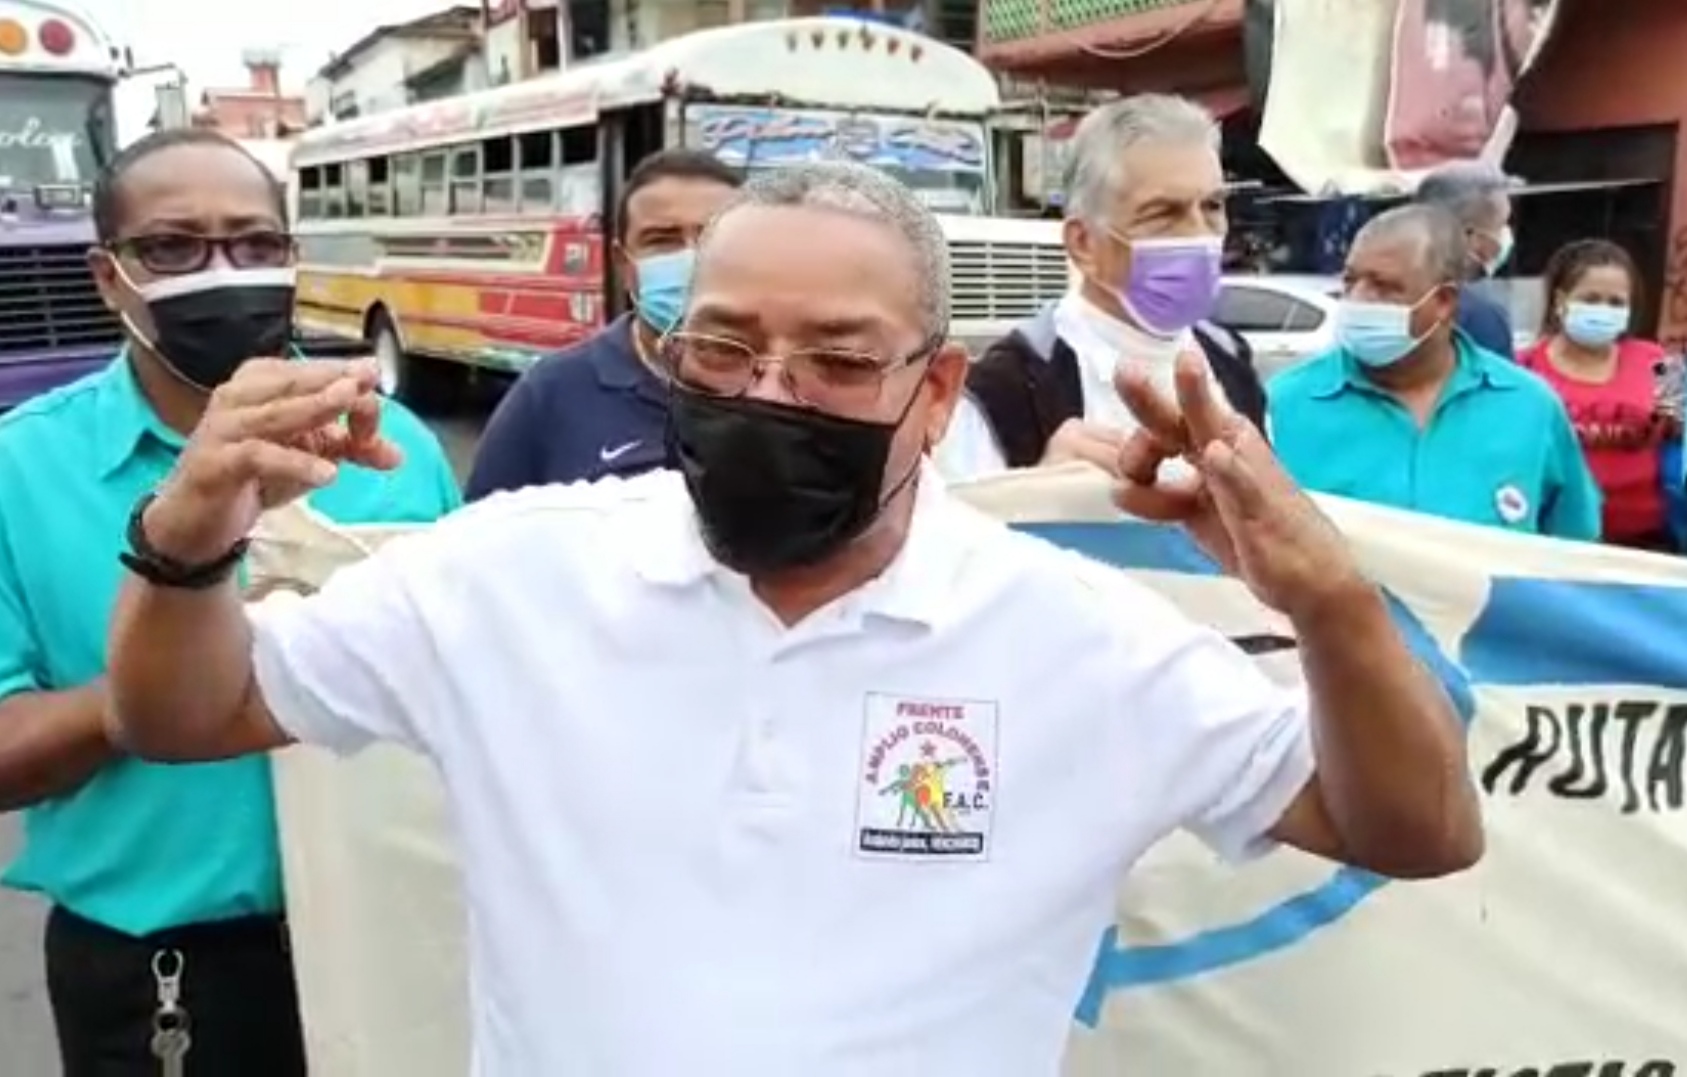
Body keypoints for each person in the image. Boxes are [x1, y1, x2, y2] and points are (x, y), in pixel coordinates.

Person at [104, 161, 1481, 1076]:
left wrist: (1328, 603)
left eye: (834, 359)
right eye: (723, 346)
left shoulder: (1077, 636)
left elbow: (1413, 831)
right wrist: (184, 544)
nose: (770, 391)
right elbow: (185, 714)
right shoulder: (506, 576)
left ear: (934, 394)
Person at [0, 128, 461, 1076]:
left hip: (395, 939)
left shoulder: (396, 447)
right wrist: (186, 669)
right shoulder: (21, 468)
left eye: (256, 245)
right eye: (173, 248)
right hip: (165, 977)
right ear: (107, 276)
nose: (223, 272)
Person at [935, 95, 1265, 481]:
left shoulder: (1233, 363)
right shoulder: (1005, 394)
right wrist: (1036, 493)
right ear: (1084, 244)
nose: (1200, 235)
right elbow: (955, 532)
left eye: (1211, 206)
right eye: (1163, 214)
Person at [1270, 204, 1599, 538]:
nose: (1358, 300)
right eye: (1350, 281)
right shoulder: (1280, 408)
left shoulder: (1531, 409)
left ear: (1443, 301)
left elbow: (1577, 558)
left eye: (1383, 287)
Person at [465, 149, 741, 498]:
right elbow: (482, 537)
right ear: (623, 263)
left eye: (712, 238)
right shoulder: (550, 394)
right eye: (662, 240)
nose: (692, 257)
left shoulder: (791, 386)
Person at [1519, 239, 1683, 550]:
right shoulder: (1523, 369)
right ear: (1560, 301)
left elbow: (1682, 428)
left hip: (1650, 541)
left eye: (1616, 302)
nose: (1603, 310)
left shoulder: (1657, 361)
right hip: (1555, 541)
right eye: (1591, 298)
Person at [1414, 161, 1517, 358]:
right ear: (1468, 235)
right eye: (1501, 225)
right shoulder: (1482, 319)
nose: (1505, 235)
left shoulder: (1379, 288)